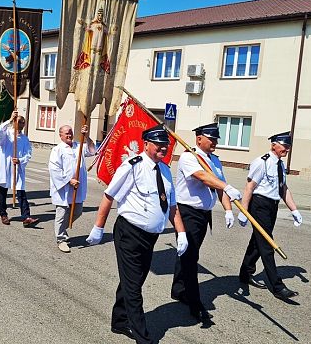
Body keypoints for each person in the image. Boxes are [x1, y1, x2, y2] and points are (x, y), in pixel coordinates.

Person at [86, 125, 188, 344]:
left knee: (134, 280)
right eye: (159, 144)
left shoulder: (165, 171)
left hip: (150, 237)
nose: (163, 148)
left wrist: (181, 233)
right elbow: (109, 195)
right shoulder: (133, 166)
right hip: (129, 233)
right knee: (133, 286)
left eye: (166, 145)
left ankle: (119, 320)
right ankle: (143, 336)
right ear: (146, 144)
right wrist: (98, 227)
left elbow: (172, 207)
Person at [170, 122, 242, 322]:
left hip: (203, 214)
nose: (215, 142)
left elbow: (219, 187)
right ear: (199, 138)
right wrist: (226, 186)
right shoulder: (189, 157)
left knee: (187, 253)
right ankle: (195, 303)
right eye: (212, 138)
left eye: (216, 139)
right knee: (191, 258)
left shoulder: (214, 160)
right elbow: (203, 177)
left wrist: (228, 209)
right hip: (187, 213)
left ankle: (179, 289)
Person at [238, 131, 303, 300]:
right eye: (284, 145)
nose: (287, 149)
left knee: (257, 241)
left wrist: (294, 209)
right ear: (274, 144)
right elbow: (249, 188)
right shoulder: (261, 162)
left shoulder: (280, 165)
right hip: (259, 205)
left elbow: (283, 189)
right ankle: (277, 286)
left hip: (272, 207)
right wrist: (244, 212)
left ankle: (245, 273)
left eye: (289, 146)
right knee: (267, 245)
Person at [48, 124, 96, 253]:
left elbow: (92, 150)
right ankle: (61, 239)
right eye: (66, 133)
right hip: (64, 188)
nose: (69, 135)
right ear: (61, 135)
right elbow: (54, 169)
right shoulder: (57, 150)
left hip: (77, 187)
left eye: (70, 132)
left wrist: (87, 137)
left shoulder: (78, 145)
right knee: (62, 213)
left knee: (77, 211)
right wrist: (68, 181)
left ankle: (61, 229)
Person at [0, 110, 39, 227]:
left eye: (23, 123)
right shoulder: (7, 134)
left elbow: (28, 154)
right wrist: (9, 119)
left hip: (17, 168)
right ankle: (3, 214)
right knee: (3, 191)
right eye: (19, 122)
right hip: (6, 167)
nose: (22, 124)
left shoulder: (24, 139)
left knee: (21, 192)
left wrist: (20, 160)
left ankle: (26, 216)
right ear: (14, 122)